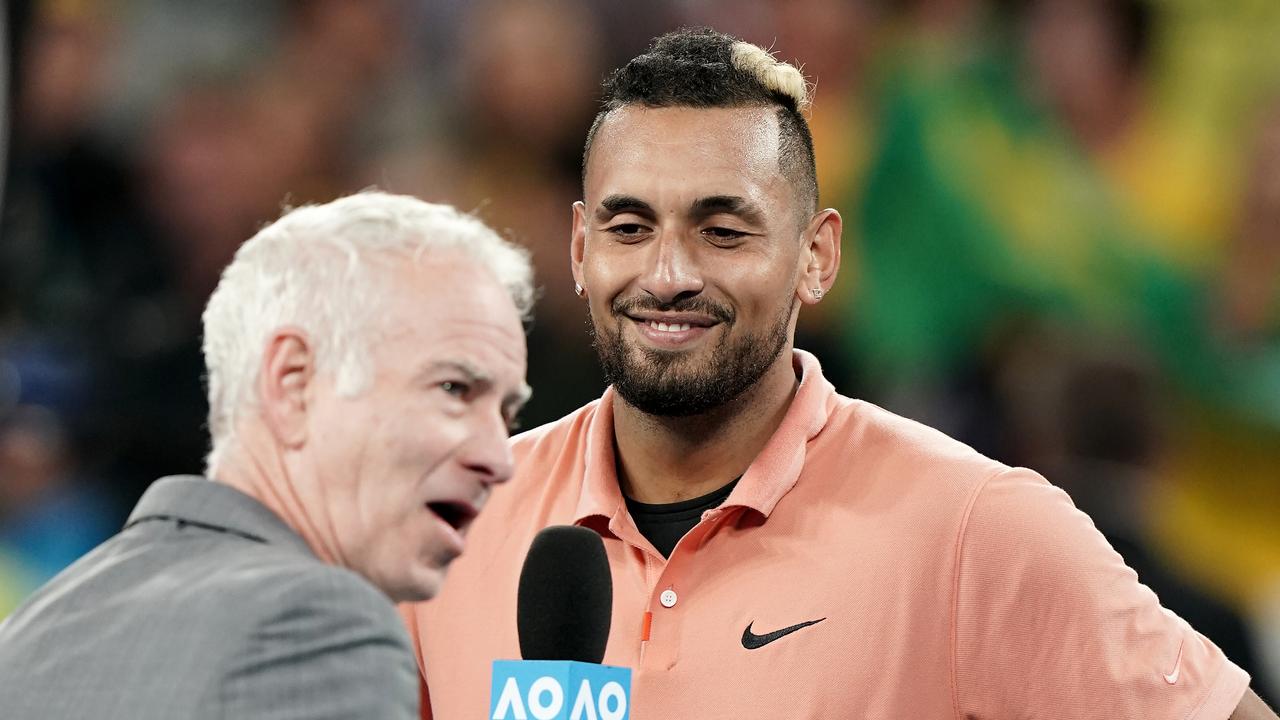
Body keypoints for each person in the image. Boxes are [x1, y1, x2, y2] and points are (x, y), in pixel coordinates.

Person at [401, 28, 1275, 720]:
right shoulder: (450, 531)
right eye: (630, 228)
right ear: (580, 249)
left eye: (723, 230)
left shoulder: (975, 529)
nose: (667, 273)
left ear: (817, 257)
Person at [0, 191, 534, 719]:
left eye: (508, 414)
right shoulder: (318, 625)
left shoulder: (38, 626)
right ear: (293, 382)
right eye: (455, 389)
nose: (498, 457)